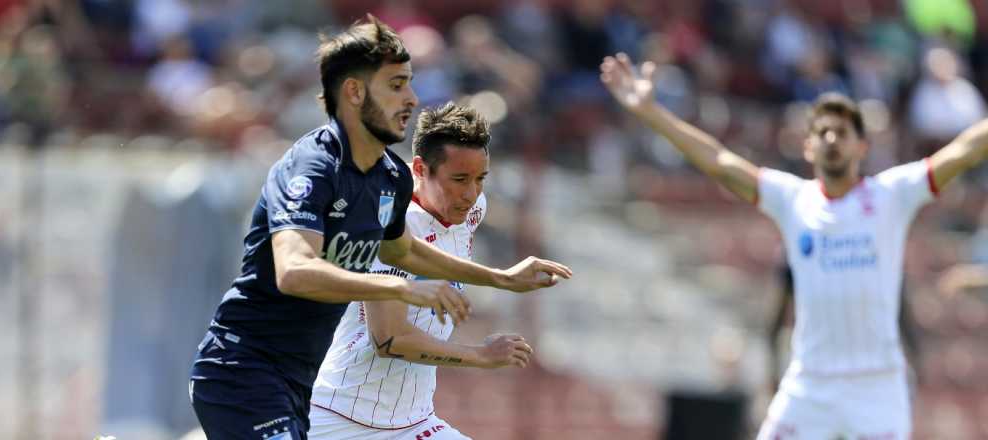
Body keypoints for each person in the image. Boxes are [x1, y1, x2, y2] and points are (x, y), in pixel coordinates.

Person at [188, 16, 572, 440]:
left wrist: (500, 278)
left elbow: (402, 252)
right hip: (245, 371)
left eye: (409, 83)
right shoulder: (313, 167)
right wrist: (401, 290)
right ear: (354, 92)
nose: (411, 98)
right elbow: (294, 271)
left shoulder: (388, 177)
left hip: (306, 383)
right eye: (396, 85)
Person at [600, 52, 988, 439]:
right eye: (823, 132)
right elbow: (718, 160)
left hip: (877, 385)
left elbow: (964, 150)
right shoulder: (792, 199)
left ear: (862, 147)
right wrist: (651, 113)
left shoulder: (892, 195)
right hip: (811, 382)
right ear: (808, 147)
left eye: (843, 133)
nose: (832, 139)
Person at [307, 102, 525, 439]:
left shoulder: (472, 210)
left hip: (414, 421)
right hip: (342, 419)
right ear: (421, 169)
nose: (470, 194)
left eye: (480, 179)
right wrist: (481, 356)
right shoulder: (388, 224)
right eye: (459, 179)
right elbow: (389, 339)